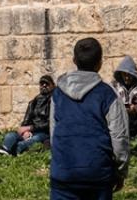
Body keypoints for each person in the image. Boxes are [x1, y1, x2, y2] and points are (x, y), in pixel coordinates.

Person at [50, 38, 128, 200]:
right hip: (97, 175)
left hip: (63, 173)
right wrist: (120, 171)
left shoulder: (57, 94)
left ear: (74, 60)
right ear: (100, 63)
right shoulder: (108, 95)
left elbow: (53, 133)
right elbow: (119, 138)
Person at [2, 75, 54, 156]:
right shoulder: (33, 102)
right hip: (30, 131)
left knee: (31, 140)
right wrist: (25, 131)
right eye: (42, 84)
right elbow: (26, 120)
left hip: (43, 133)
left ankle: (13, 153)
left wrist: (31, 128)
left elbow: (50, 123)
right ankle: (3, 151)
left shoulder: (54, 101)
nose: (44, 86)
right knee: (10, 136)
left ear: (52, 85)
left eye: (47, 84)